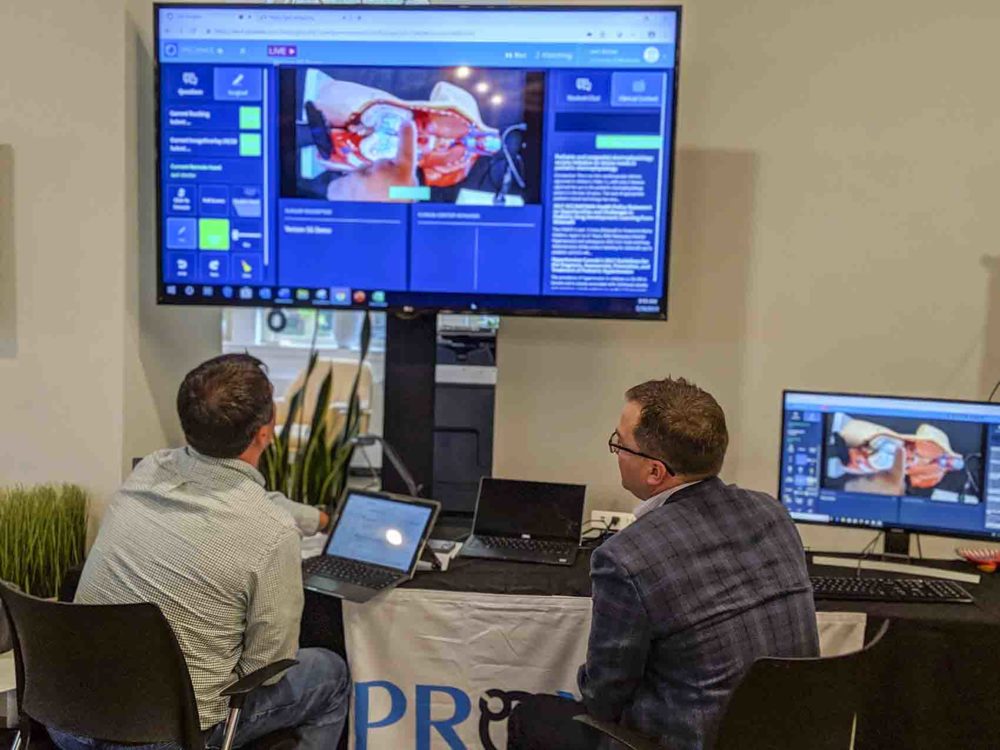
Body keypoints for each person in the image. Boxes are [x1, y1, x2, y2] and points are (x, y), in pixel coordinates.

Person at [48, 354, 350, 750]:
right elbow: (268, 667)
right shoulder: (271, 532)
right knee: (330, 674)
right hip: (169, 736)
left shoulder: (148, 471)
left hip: (67, 717)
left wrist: (315, 518)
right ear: (264, 434)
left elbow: (234, 488)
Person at [508, 377, 819, 750]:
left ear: (655, 472)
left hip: (694, 740)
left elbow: (604, 697)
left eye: (619, 444)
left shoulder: (625, 558)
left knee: (531, 716)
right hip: (788, 734)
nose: (616, 452)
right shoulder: (772, 512)